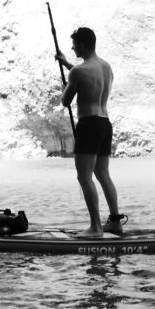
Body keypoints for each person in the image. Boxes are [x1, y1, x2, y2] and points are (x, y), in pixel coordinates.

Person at [55, 27, 127, 237]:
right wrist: (68, 64)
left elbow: (66, 101)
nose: (72, 47)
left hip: (88, 125)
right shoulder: (106, 67)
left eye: (75, 44)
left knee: (84, 177)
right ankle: (115, 222)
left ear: (83, 45)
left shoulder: (78, 72)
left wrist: (68, 81)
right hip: (105, 123)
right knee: (103, 173)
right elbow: (89, 77)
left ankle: (95, 227)